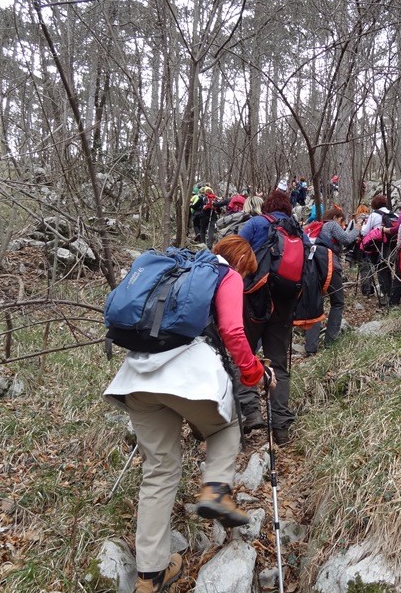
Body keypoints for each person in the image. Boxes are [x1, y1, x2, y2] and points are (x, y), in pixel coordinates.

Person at [102, 236, 276, 593]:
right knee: (226, 429)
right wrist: (255, 373)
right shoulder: (224, 276)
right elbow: (232, 330)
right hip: (188, 378)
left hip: (136, 379)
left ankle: (149, 578)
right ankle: (215, 490)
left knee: (159, 471)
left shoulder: (176, 271)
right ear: (242, 264)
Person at [237, 190, 305, 446]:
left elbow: (235, 255)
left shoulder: (255, 224)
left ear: (267, 207)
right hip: (285, 305)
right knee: (279, 364)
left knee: (243, 355)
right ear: (288, 209)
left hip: (254, 300)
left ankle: (250, 411)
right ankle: (281, 428)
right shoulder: (297, 230)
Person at [304, 207, 363, 355]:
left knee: (315, 304)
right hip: (330, 265)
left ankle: (311, 348)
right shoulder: (331, 224)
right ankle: (331, 341)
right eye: (342, 222)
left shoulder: (315, 228)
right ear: (337, 217)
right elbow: (346, 239)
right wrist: (356, 228)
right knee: (337, 302)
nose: (342, 226)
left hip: (311, 267)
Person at [360, 195, 401, 306]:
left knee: (381, 270)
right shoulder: (395, 214)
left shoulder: (374, 215)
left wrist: (362, 226)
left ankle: (386, 296)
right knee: (388, 270)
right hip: (393, 247)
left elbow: (364, 232)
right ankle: (392, 294)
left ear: (374, 205)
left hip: (379, 247)